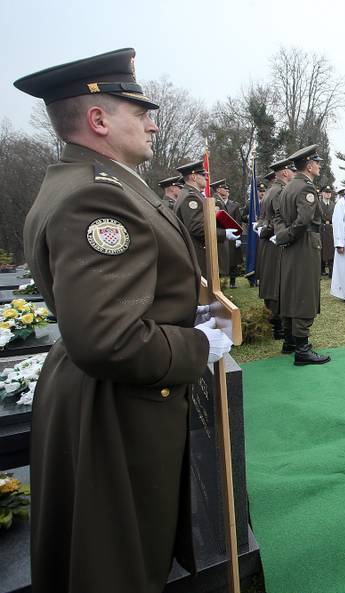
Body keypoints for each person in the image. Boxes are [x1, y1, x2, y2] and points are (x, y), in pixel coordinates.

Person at [15, 47, 232, 593]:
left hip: (104, 396)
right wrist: (197, 346)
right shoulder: (96, 197)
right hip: (115, 409)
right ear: (98, 119)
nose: (153, 125)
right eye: (140, 113)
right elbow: (108, 338)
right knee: (116, 565)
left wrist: (182, 308)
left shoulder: (91, 180)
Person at [273, 144, 330, 364]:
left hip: (292, 245)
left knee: (290, 291)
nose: (319, 167)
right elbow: (304, 221)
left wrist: (282, 235)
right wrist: (287, 235)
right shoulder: (306, 188)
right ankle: (302, 350)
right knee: (304, 294)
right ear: (309, 165)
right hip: (304, 244)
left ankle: (289, 341)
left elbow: (278, 216)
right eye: (317, 163)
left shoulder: (287, 187)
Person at [174, 160, 238, 279]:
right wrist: (224, 233)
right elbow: (197, 228)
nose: (207, 178)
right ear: (194, 177)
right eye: (203, 175)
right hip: (198, 253)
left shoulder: (192, 194)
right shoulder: (191, 197)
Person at [258, 157, 296, 341]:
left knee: (272, 280)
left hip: (268, 241)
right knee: (278, 283)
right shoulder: (281, 191)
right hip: (276, 242)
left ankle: (274, 321)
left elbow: (264, 218)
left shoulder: (271, 190)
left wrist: (262, 229)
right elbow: (279, 220)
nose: (294, 174)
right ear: (285, 172)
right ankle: (278, 324)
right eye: (292, 171)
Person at [212, 179, 242, 288]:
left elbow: (237, 220)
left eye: (227, 189)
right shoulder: (215, 202)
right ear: (218, 190)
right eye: (224, 188)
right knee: (220, 258)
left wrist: (238, 236)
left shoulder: (234, 205)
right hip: (221, 234)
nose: (227, 190)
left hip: (231, 233)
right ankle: (219, 282)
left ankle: (232, 281)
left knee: (233, 258)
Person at [319, 185, 336, 277]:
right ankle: (320, 270)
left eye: (329, 192)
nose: (328, 194)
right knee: (320, 249)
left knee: (330, 250)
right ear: (322, 193)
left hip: (330, 229)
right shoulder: (318, 204)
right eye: (326, 192)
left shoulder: (333, 205)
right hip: (320, 228)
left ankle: (331, 270)